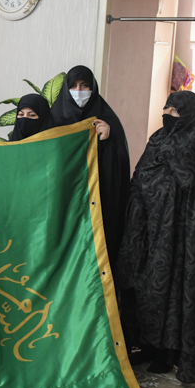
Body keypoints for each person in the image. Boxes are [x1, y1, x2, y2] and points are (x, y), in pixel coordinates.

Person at [117, 91, 195, 384]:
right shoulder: (157, 138)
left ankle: (167, 352)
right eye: (166, 109)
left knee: (169, 289)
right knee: (141, 284)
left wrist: (171, 155)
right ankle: (144, 343)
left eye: (175, 111)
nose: (167, 115)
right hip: (144, 226)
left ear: (190, 116)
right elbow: (140, 174)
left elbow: (189, 183)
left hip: (176, 234)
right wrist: (137, 202)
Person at [50, 65, 130, 264]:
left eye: (85, 85)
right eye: (74, 86)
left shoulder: (107, 120)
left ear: (93, 88)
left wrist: (107, 141)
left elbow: (119, 167)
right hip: (63, 198)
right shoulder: (54, 119)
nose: (79, 91)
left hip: (96, 198)